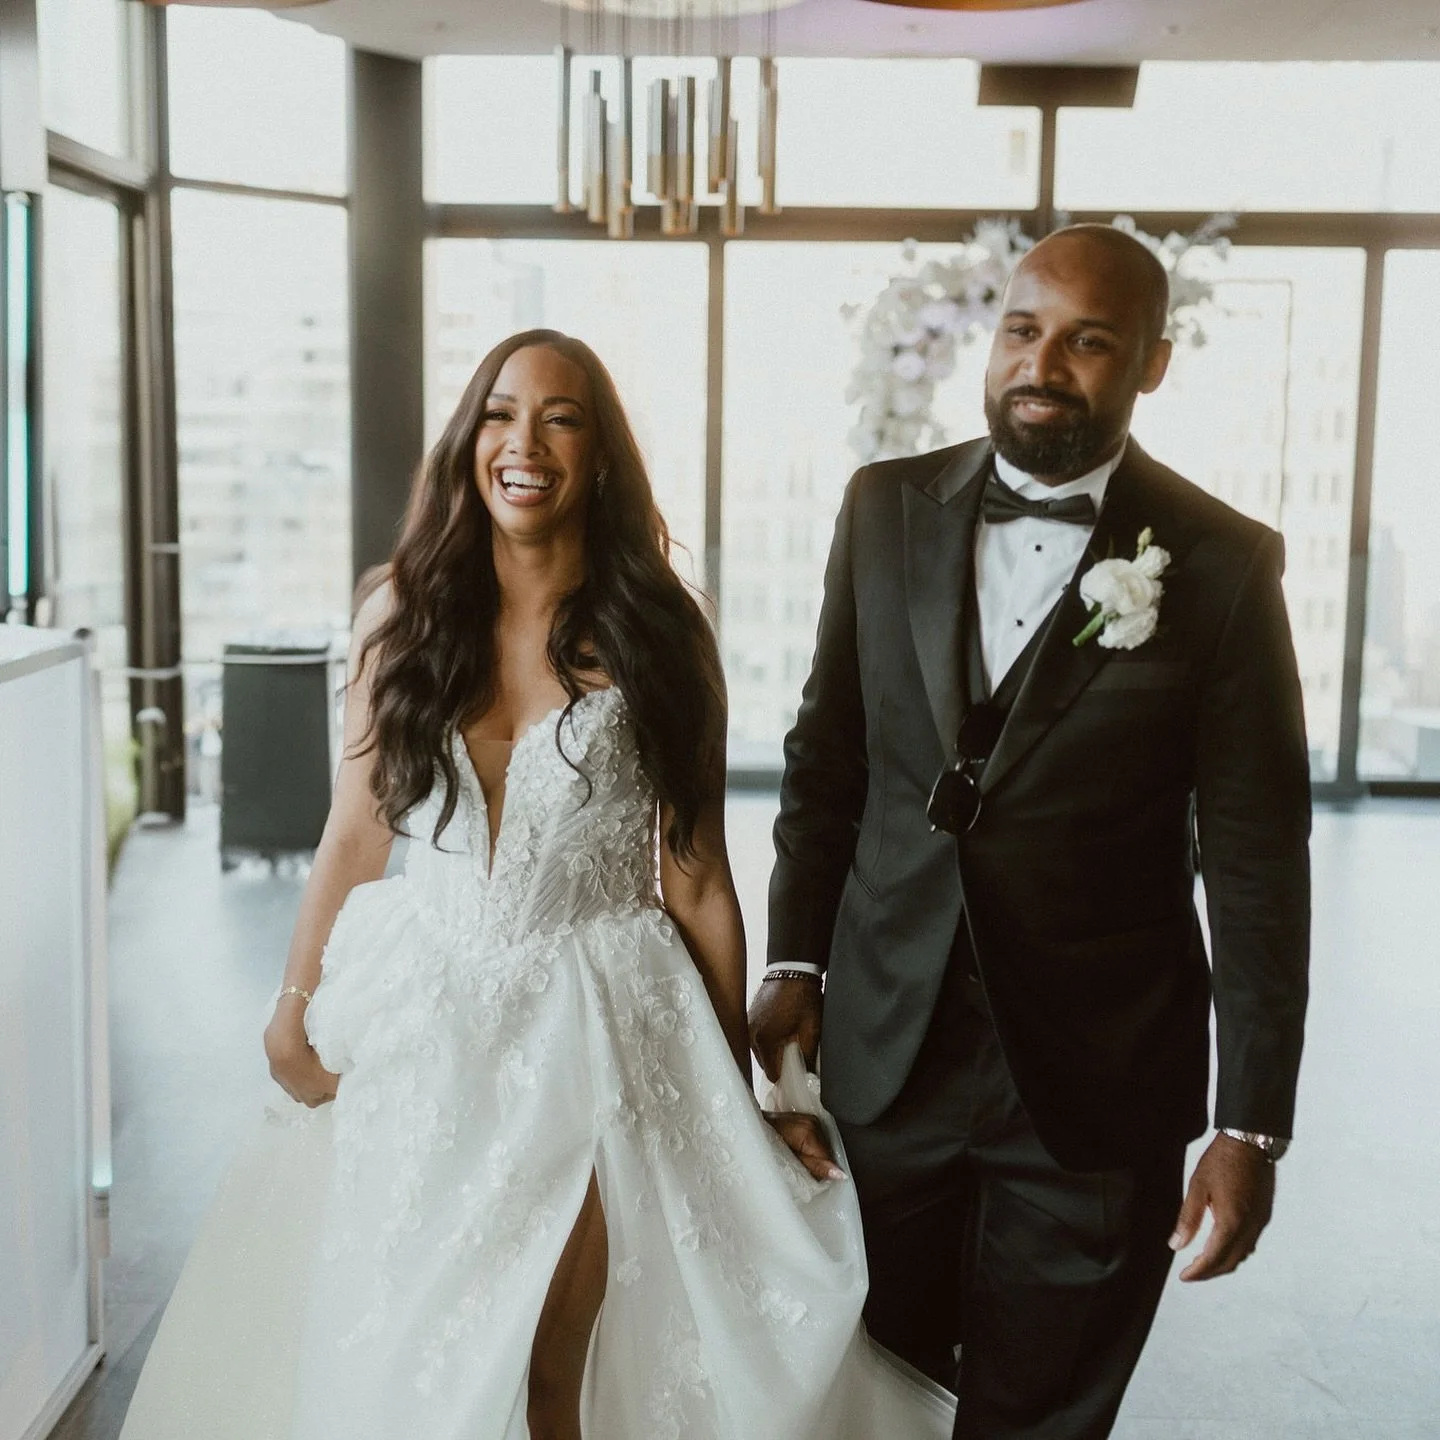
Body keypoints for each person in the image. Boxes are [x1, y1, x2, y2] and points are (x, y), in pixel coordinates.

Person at [117, 329, 955, 1440]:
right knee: (424, 1354)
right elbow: (355, 838)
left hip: (604, 1027)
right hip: (428, 1024)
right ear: (471, 441)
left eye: (561, 418)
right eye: (502, 414)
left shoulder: (662, 628)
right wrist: (289, 1010)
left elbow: (696, 877)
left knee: (553, 1361)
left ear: (600, 455)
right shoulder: (399, 614)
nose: (526, 443)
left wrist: (735, 1094)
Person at [750, 225, 1312, 1439]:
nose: (1041, 364)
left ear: (1151, 364)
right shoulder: (882, 509)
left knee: (1041, 1416)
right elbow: (828, 758)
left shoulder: (1222, 566)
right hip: (885, 1059)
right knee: (866, 1392)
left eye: (1089, 341)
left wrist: (1251, 1120)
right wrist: (796, 959)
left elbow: (1261, 860)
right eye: (1022, 329)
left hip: (1098, 1088)